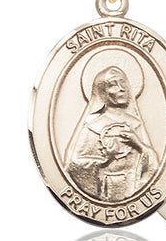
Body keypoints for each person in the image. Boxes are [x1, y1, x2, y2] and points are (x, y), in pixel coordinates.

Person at [64, 66, 159, 202]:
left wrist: (138, 144)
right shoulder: (93, 128)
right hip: (105, 190)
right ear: (102, 92)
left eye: (123, 82)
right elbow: (75, 166)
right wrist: (106, 159)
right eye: (113, 85)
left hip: (133, 186)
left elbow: (152, 165)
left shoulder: (136, 124)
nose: (121, 88)